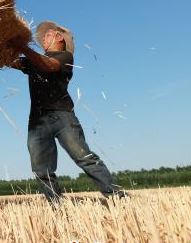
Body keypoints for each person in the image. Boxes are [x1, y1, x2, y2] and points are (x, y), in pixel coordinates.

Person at [8, 21, 126, 203]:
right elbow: (10, 61)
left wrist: (22, 47)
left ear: (59, 38)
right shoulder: (34, 61)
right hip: (38, 120)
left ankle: (117, 197)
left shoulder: (65, 57)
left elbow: (47, 65)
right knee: (40, 167)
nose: (42, 39)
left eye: (47, 35)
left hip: (63, 116)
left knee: (84, 157)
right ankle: (56, 204)